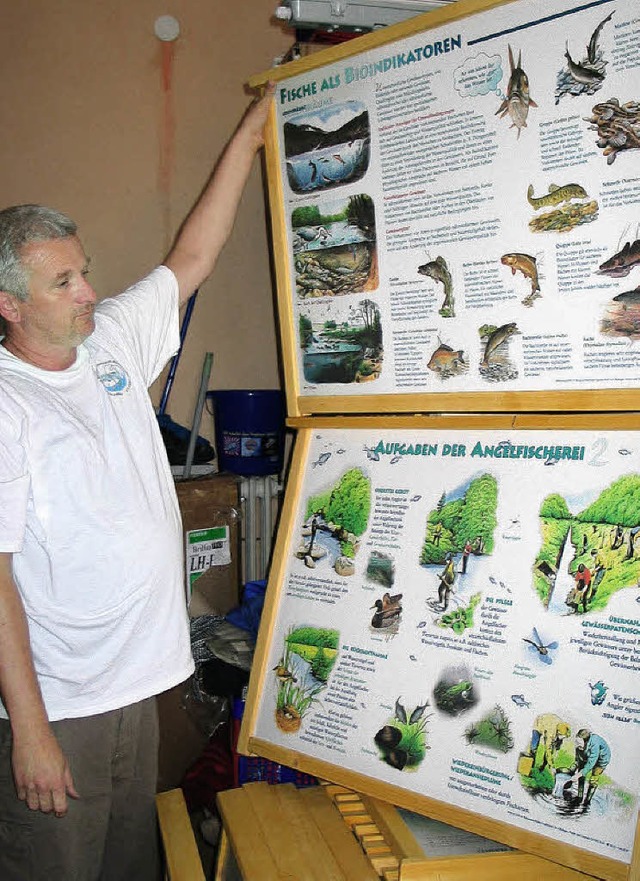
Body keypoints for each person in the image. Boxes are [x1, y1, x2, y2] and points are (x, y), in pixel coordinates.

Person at [0, 83, 274, 881]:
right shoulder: (8, 404)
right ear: (9, 306)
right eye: (64, 284)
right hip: (61, 707)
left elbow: (192, 256)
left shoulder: (109, 341)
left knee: (131, 867)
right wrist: (31, 731)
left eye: (84, 272)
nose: (89, 292)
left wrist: (250, 134)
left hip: (141, 685)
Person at [570, 728, 611, 809]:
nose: (577, 744)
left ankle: (587, 802)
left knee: (593, 779)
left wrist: (579, 774)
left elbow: (591, 762)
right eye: (577, 742)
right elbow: (578, 757)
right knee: (581, 775)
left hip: (601, 760)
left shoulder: (594, 743)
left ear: (586, 741)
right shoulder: (579, 743)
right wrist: (575, 769)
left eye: (579, 742)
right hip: (587, 755)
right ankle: (579, 797)